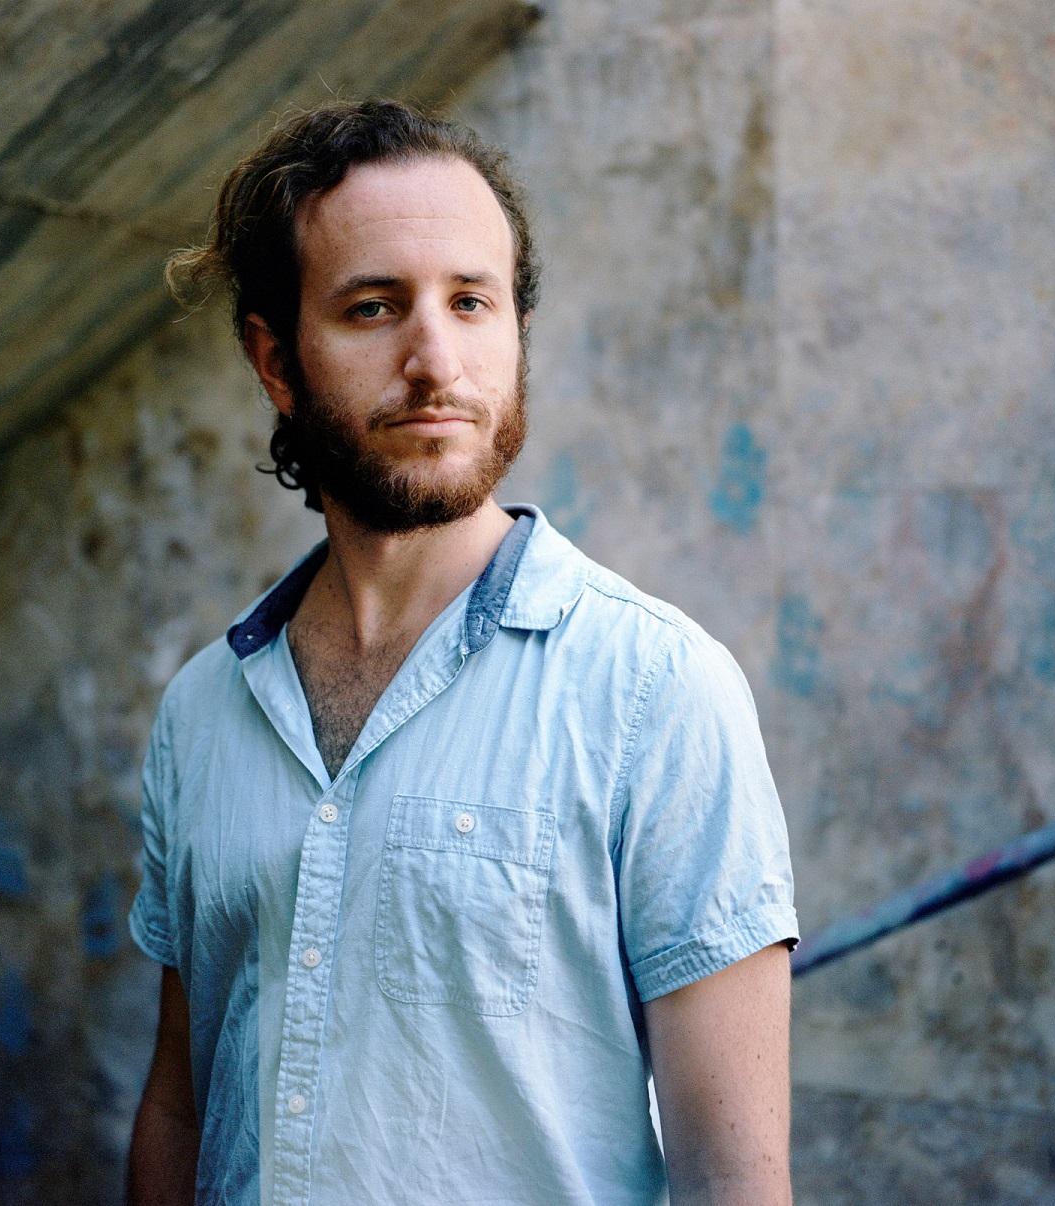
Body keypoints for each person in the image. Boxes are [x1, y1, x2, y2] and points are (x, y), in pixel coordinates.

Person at [126, 99, 798, 1206]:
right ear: (276, 360)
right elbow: (182, 1105)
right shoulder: (203, 712)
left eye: (472, 302)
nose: (435, 361)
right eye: (374, 307)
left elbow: (736, 1180)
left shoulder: (656, 691)